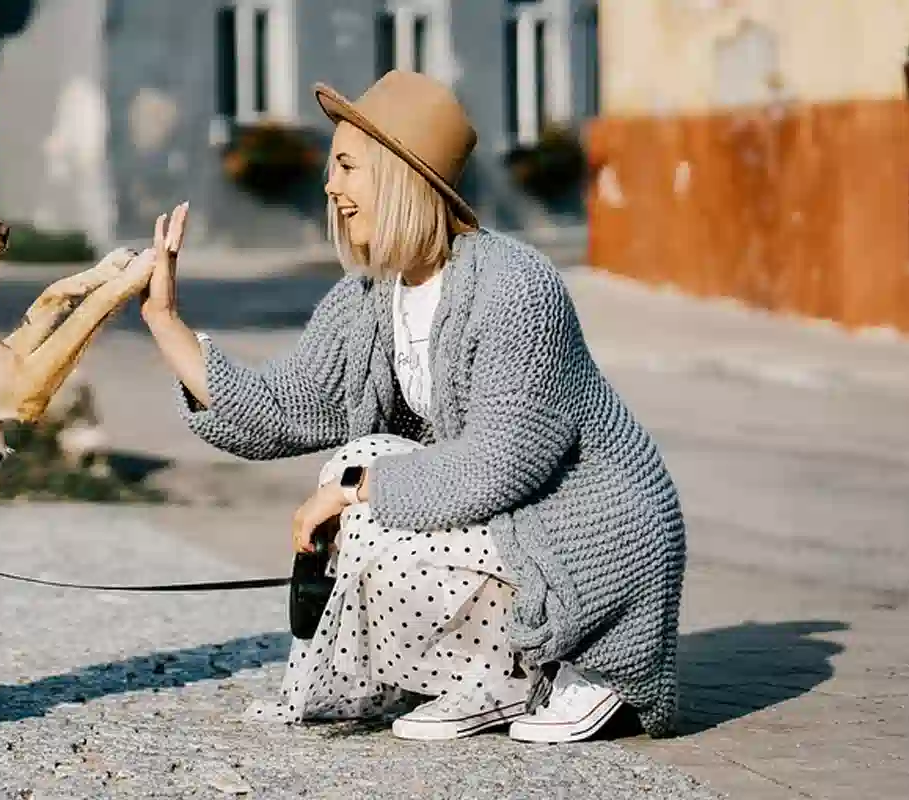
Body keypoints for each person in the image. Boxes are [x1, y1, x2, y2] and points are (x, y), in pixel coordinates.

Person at [137, 71, 685, 743]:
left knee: (361, 486)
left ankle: (562, 667)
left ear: (399, 174)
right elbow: (281, 408)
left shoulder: (517, 287)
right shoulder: (372, 297)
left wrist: (353, 494)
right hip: (509, 523)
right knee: (358, 462)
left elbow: (502, 462)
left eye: (346, 166)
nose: (330, 186)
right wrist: (165, 322)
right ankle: (483, 678)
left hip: (590, 534)